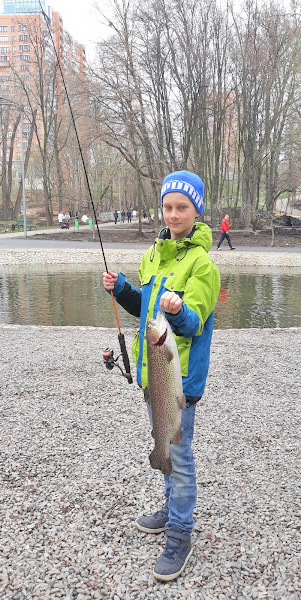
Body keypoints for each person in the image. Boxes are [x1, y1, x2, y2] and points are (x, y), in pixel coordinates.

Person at [103, 170, 220, 582]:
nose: (173, 214)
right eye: (168, 206)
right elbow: (145, 308)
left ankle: (180, 533)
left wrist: (177, 311)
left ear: (196, 210)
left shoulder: (202, 264)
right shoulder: (153, 254)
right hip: (153, 371)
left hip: (180, 379)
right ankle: (172, 510)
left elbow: (192, 321)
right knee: (164, 447)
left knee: (181, 457)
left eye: (182, 208)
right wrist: (122, 289)